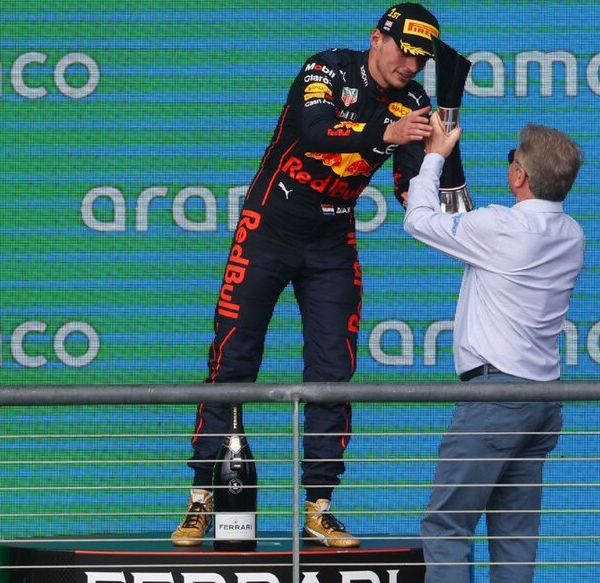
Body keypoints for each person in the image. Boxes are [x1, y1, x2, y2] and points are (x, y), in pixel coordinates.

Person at [171, 3, 442, 549]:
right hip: (268, 227)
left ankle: (319, 506)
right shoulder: (327, 69)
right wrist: (385, 132)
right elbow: (317, 131)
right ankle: (202, 497)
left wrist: (437, 173)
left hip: (333, 241)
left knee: (332, 370)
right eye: (404, 52)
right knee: (234, 359)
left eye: (422, 59)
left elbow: (410, 186)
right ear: (376, 39)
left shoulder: (416, 103)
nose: (411, 66)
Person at [405, 117, 585, 583]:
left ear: (519, 176)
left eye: (512, 161)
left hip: (495, 398)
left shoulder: (498, 226)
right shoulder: (572, 235)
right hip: (543, 400)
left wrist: (434, 158)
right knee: (514, 537)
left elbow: (418, 222)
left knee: (446, 526)